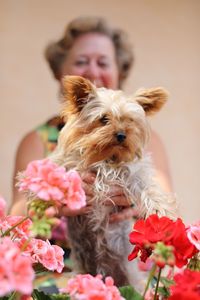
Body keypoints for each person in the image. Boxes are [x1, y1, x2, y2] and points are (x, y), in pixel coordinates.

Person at [10, 16, 173, 220]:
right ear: (60, 72)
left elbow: (168, 215)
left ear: (119, 72)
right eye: (81, 62)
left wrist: (138, 202)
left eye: (103, 63)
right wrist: (53, 204)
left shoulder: (144, 141)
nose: (93, 71)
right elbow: (16, 215)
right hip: (60, 250)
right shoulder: (38, 140)